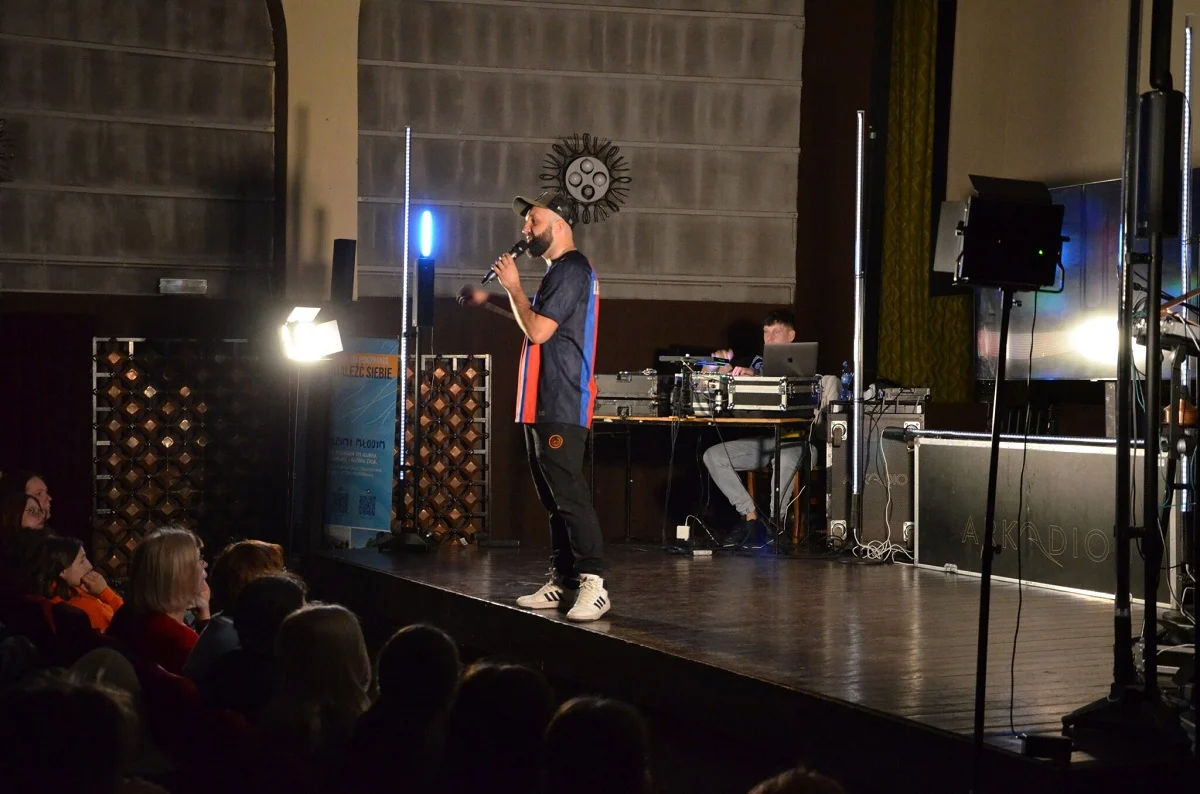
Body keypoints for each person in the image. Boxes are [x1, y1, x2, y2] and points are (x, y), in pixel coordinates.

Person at [458, 190, 609, 621]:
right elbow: (543, 327)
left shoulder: (572, 269)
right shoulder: (558, 273)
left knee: (569, 495)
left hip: (562, 399)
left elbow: (539, 331)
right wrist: (501, 299)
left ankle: (594, 583)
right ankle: (564, 580)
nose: (525, 229)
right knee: (553, 498)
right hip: (539, 401)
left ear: (559, 225)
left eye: (534, 221)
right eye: (526, 222)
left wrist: (512, 286)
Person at [702, 309, 807, 547]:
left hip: (797, 441)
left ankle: (776, 524)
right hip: (764, 441)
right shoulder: (753, 361)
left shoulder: (803, 364)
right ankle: (751, 518)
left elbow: (789, 384)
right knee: (714, 456)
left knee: (784, 458)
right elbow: (714, 384)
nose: (769, 338)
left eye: (776, 332)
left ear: (791, 336)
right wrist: (717, 367)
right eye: (766, 332)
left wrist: (756, 375)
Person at [29, 535, 124, 632]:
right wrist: (105, 592)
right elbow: (128, 622)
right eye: (82, 561)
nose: (89, 566)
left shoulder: (45, 595)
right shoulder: (87, 609)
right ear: (63, 570)